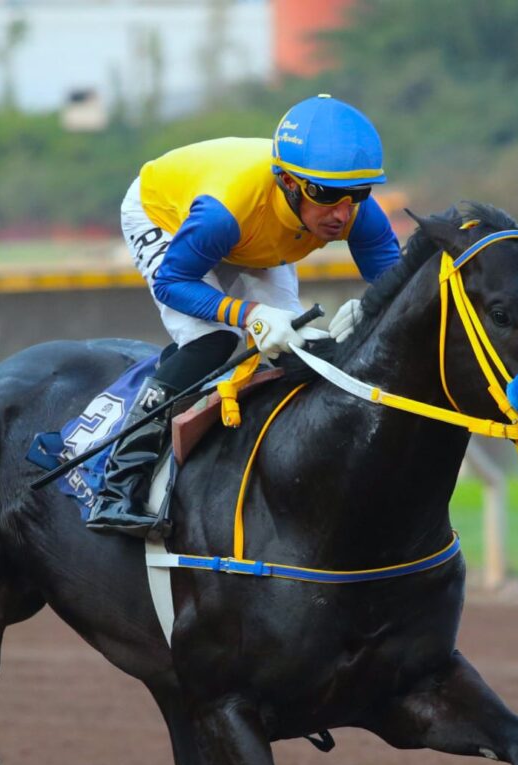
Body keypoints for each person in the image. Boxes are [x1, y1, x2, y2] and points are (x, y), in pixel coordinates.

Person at [86, 94, 403, 537]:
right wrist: (249, 314)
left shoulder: (353, 212)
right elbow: (173, 284)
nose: (342, 213)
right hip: (169, 218)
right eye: (326, 195)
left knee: (299, 349)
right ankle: (117, 482)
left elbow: (398, 285)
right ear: (288, 183)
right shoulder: (225, 210)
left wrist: (370, 309)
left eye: (357, 194)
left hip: (254, 236)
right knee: (211, 342)